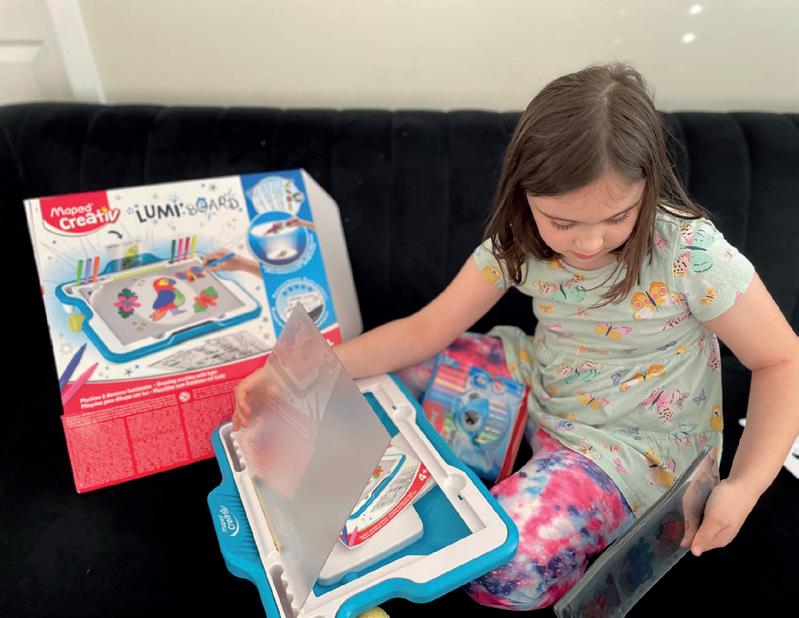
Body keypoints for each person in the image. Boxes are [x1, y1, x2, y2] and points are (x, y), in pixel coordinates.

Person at [231, 63, 799, 610]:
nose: (589, 244)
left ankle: (551, 499)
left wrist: (746, 485)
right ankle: (498, 459)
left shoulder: (690, 253)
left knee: (499, 570)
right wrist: (297, 374)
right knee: (377, 378)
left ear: (648, 186)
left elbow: (782, 360)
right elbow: (426, 330)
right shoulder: (518, 242)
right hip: (536, 382)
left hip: (634, 452)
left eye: (617, 217)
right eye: (563, 223)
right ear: (523, 193)